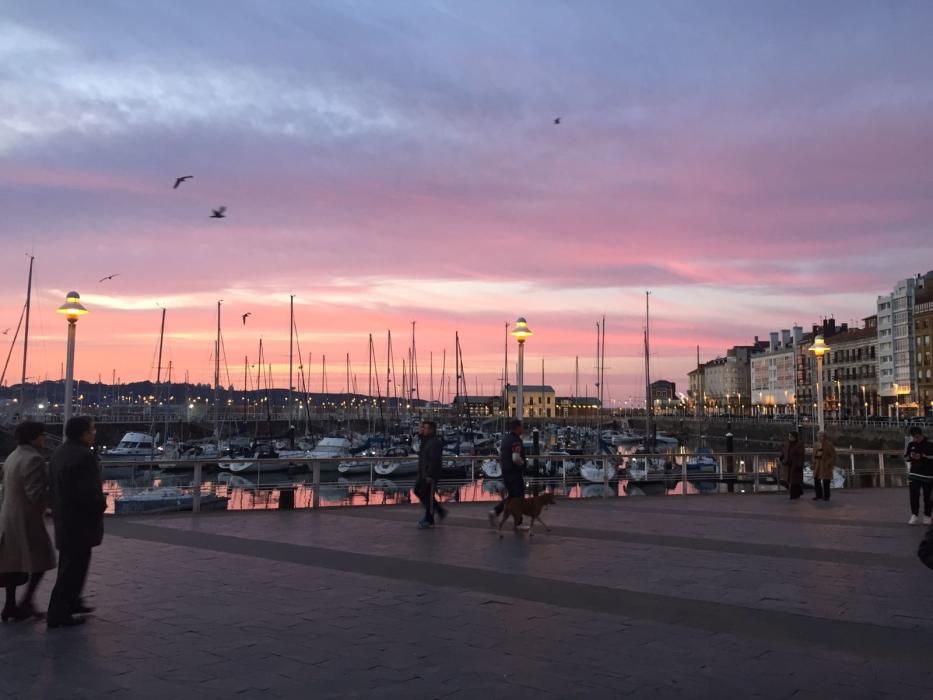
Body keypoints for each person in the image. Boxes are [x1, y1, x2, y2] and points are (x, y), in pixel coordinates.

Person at [46, 416, 106, 629]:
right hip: (80, 522)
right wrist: (101, 505)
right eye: (92, 430)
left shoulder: (59, 453)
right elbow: (88, 492)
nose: (94, 433)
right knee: (74, 567)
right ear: (83, 433)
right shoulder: (84, 456)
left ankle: (71, 602)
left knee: (69, 565)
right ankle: (59, 612)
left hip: (64, 518)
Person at [0, 421, 56, 622]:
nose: (45, 438)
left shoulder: (13, 456)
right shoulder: (34, 459)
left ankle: (11, 604)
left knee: (12, 563)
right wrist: (53, 500)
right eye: (42, 435)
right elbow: (35, 493)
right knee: (41, 560)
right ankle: (26, 602)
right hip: (27, 518)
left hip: (9, 515)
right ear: (34, 437)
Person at [489, 419, 526, 526]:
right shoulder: (516, 441)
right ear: (518, 427)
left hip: (506, 472)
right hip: (514, 473)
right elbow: (516, 458)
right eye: (521, 427)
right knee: (518, 497)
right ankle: (497, 512)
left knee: (513, 496)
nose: (522, 429)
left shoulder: (505, 439)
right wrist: (523, 464)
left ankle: (517, 519)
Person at [414, 420, 446, 529]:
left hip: (429, 475)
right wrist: (420, 432)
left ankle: (430, 519)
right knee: (419, 491)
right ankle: (439, 511)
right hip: (423, 474)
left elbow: (434, 460)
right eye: (423, 428)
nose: (423, 429)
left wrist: (430, 475)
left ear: (431, 430)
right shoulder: (426, 440)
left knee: (428, 496)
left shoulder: (434, 442)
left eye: (426, 428)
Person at [904, 426, 933, 525]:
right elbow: (906, 457)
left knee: (927, 496)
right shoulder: (911, 444)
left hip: (928, 475)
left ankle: (927, 515)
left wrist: (923, 456)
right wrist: (910, 457)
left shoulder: (929, 444)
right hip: (914, 473)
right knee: (914, 495)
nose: (916, 439)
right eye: (914, 437)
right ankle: (914, 515)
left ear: (921, 435)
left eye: (917, 437)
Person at [779, 431, 805, 500]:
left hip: (795, 465)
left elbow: (801, 455)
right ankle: (797, 493)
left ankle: (794, 495)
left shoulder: (799, 444)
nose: (790, 437)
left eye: (791, 436)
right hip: (788, 465)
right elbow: (783, 451)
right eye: (789, 436)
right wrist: (782, 458)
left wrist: (799, 464)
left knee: (794, 481)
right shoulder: (787, 444)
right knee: (788, 480)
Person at [811, 430, 836, 502]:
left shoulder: (829, 445)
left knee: (826, 481)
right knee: (816, 480)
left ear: (824, 437)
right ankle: (818, 495)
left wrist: (828, 463)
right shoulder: (816, 444)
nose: (818, 437)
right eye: (818, 436)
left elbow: (833, 456)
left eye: (820, 436)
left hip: (825, 465)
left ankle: (826, 496)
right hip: (817, 465)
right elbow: (814, 454)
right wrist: (813, 463)